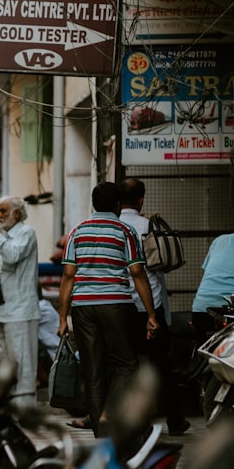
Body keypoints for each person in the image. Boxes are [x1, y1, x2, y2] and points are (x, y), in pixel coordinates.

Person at [58, 182, 159, 437]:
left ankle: (100, 432)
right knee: (126, 364)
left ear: (93, 204)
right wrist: (150, 314)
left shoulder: (77, 232)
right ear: (117, 205)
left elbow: (68, 277)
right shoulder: (124, 231)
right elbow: (137, 272)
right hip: (116, 305)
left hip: (83, 308)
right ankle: (110, 411)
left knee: (92, 369)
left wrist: (62, 318)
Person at [119, 178, 190, 435]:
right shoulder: (148, 225)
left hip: (123, 305)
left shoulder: (113, 226)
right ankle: (174, 420)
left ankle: (138, 422)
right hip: (152, 306)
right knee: (161, 364)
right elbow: (165, 263)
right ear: (140, 200)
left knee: (129, 366)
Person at [0, 195, 41, 405]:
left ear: (16, 213)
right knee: (7, 364)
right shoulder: (3, 237)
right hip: (4, 310)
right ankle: (11, 410)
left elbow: (13, 255)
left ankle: (25, 412)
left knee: (22, 364)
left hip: (21, 311)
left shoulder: (26, 233)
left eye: (3, 211)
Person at [191, 232, 234, 343]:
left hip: (200, 308)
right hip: (227, 313)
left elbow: (208, 272)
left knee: (203, 350)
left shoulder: (219, 240)